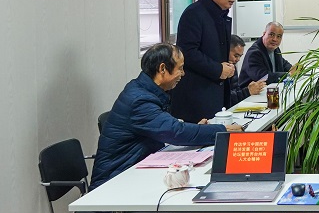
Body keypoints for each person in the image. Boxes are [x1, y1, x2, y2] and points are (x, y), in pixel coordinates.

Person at [90, 43, 242, 192]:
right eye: (180, 68)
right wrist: (221, 130)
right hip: (113, 187)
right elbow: (175, 132)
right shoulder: (139, 100)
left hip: (134, 174)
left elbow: (168, 127)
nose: (183, 74)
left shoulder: (145, 89)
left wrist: (198, 129)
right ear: (162, 68)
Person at [170, 0, 238, 123]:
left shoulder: (220, 16)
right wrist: (218, 69)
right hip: (196, 95)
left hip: (215, 93)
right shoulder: (194, 13)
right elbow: (187, 52)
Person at [238, 22, 295, 88]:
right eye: (271, 34)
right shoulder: (254, 53)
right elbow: (263, 77)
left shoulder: (275, 49)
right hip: (250, 95)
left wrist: (293, 69)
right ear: (264, 34)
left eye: (279, 36)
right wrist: (288, 74)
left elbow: (283, 63)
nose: (275, 39)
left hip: (268, 90)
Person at [228, 34, 266, 105]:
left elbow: (236, 90)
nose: (238, 59)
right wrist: (248, 91)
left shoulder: (232, 66)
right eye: (236, 55)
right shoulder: (219, 70)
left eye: (240, 56)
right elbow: (226, 99)